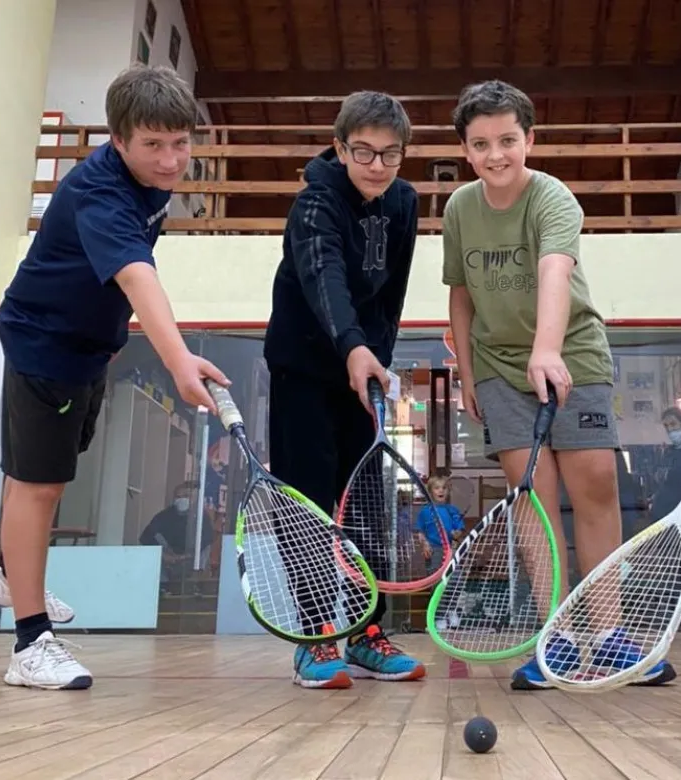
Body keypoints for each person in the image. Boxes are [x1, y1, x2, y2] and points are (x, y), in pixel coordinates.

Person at [0, 64, 229, 691]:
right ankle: (30, 643)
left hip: (88, 348)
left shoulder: (149, 180)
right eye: (153, 145)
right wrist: (178, 359)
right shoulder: (102, 193)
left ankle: (12, 573)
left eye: (181, 143)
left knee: (39, 473)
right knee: (40, 484)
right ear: (118, 140)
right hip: (46, 343)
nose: (171, 160)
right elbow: (137, 277)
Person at [441, 79, 676, 690]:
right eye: (481, 144)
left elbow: (554, 271)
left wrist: (547, 349)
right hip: (498, 369)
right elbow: (460, 295)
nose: (495, 154)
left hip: (572, 354)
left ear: (529, 139)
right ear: (466, 149)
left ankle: (610, 633)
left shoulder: (553, 197)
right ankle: (558, 635)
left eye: (507, 140)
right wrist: (468, 374)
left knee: (595, 483)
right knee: (532, 501)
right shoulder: (459, 208)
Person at [263, 91, 424, 689]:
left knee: (367, 509)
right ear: (340, 147)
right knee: (308, 506)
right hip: (303, 369)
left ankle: (365, 633)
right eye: (364, 151)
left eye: (390, 154)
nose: (377, 165)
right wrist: (353, 347)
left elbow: (391, 293)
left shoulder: (404, 202)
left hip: (363, 377)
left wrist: (378, 359)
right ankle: (316, 637)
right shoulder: (315, 203)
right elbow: (323, 278)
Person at [414, 473, 465, 574]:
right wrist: (425, 544)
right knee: (434, 577)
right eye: (437, 488)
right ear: (430, 492)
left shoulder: (453, 510)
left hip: (452, 549)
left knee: (454, 577)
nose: (441, 490)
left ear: (448, 491)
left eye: (444, 488)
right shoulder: (425, 511)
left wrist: (457, 534)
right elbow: (420, 533)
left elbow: (460, 530)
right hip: (433, 550)